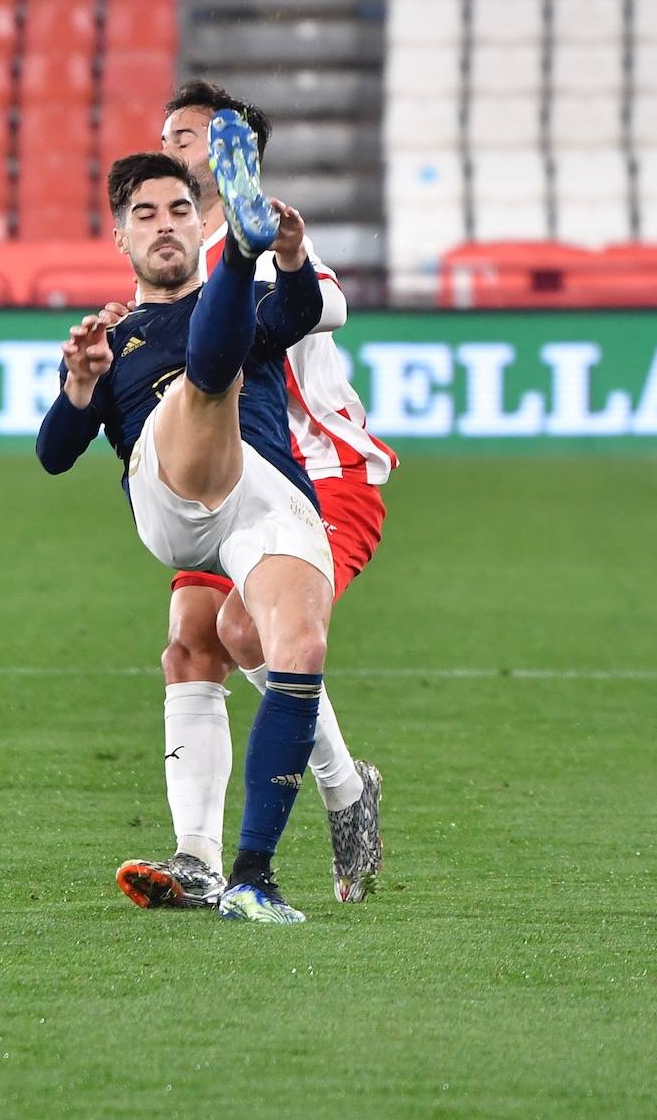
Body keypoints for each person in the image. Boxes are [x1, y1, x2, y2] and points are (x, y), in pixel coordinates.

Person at [114, 81, 397, 913]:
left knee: (245, 631)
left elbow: (326, 304)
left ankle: (346, 791)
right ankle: (196, 857)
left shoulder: (260, 236)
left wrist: (277, 254)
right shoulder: (166, 256)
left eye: (192, 136)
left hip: (320, 478)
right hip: (226, 486)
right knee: (189, 643)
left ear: (238, 157)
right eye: (166, 135)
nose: (172, 149)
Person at [36, 138, 334, 924]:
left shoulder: (252, 317)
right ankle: (244, 251)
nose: (164, 225)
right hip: (171, 495)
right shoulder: (118, 338)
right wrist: (79, 384)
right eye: (145, 215)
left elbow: (300, 312)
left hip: (264, 495)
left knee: (298, 648)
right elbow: (54, 456)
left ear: (196, 217)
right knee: (210, 379)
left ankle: (251, 879)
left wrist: (295, 261)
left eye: (179, 210)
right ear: (121, 238)